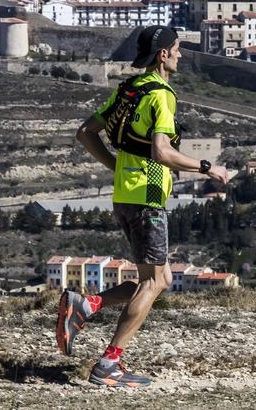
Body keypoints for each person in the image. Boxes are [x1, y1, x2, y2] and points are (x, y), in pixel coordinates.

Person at [57, 25, 228, 388]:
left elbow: (85, 132)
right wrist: (208, 168)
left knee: (161, 278)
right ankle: (108, 363)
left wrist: (114, 165)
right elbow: (162, 152)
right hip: (148, 197)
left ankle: (87, 305)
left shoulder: (127, 90)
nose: (181, 54)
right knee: (153, 282)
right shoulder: (162, 96)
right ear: (163, 54)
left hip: (124, 193)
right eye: (178, 49)